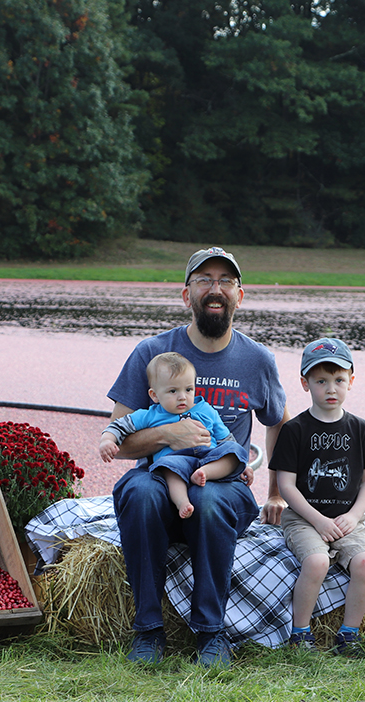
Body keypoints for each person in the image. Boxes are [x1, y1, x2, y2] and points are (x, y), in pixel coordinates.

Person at [108, 246, 289, 667]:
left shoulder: (258, 359)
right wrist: (169, 433)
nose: (215, 289)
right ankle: (149, 631)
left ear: (239, 296)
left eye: (226, 281)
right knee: (139, 492)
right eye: (204, 280)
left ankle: (211, 633)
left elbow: (279, 422)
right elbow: (119, 442)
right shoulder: (152, 353)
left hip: (221, 486)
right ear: (185, 294)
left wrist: (276, 492)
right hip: (158, 478)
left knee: (208, 500)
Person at [269, 337, 365, 656]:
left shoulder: (359, 428)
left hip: (347, 517)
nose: (330, 389)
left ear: (351, 381)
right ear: (305, 384)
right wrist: (318, 521)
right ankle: (301, 633)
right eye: (321, 381)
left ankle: (349, 634)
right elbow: (287, 485)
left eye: (338, 380)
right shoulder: (295, 429)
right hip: (305, 518)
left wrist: (353, 515)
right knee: (318, 561)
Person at [99, 351, 247, 519]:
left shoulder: (205, 409)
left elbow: (225, 439)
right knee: (169, 470)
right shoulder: (150, 415)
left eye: (188, 389)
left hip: (209, 457)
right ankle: (182, 502)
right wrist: (107, 439)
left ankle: (206, 473)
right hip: (175, 461)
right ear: (154, 395)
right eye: (173, 391)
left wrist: (243, 465)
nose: (182, 397)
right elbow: (119, 426)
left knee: (233, 450)